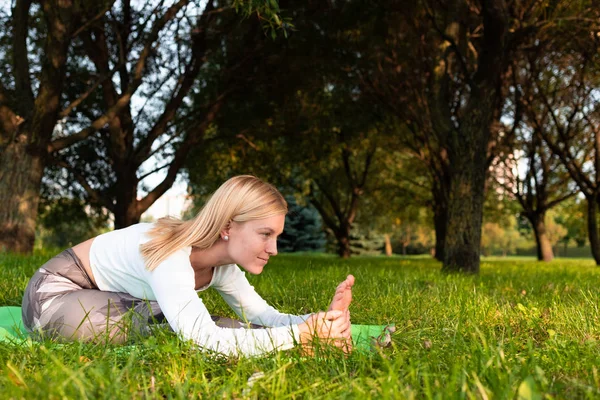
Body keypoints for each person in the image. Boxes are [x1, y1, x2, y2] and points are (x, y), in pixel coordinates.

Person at [21, 175, 354, 356]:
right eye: (265, 234)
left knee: (204, 322)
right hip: (53, 297)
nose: (274, 249)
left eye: (276, 236)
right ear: (227, 226)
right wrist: (300, 337)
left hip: (106, 297)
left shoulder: (223, 266)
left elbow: (262, 315)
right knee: (186, 328)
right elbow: (203, 340)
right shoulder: (171, 253)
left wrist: (317, 321)